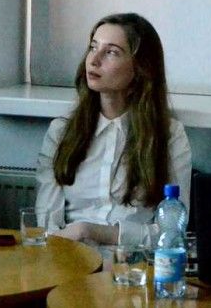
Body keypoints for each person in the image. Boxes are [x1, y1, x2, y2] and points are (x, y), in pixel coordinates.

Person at [36, 13, 191, 250]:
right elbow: (47, 224)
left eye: (111, 52)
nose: (94, 60)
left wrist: (92, 231)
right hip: (71, 257)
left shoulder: (169, 135)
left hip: (134, 262)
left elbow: (172, 232)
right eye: (93, 47)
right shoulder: (61, 131)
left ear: (140, 68)